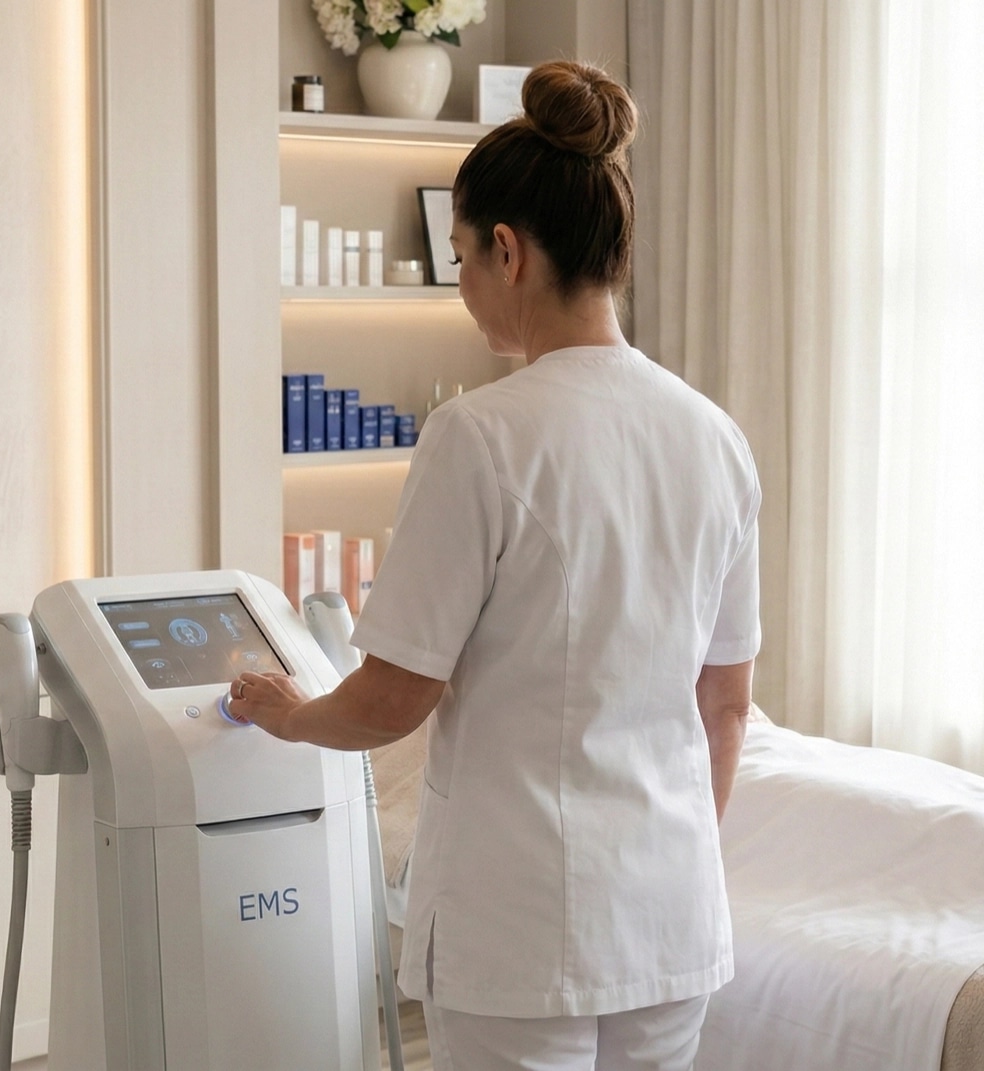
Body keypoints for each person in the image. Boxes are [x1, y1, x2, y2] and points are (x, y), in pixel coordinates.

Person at [227, 60, 755, 1071]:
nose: (462, 288)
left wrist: (290, 711)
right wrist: (671, 862)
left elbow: (393, 698)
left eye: (462, 259)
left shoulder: (480, 436)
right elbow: (724, 705)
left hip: (523, 924)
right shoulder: (712, 435)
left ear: (507, 251)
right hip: (673, 913)